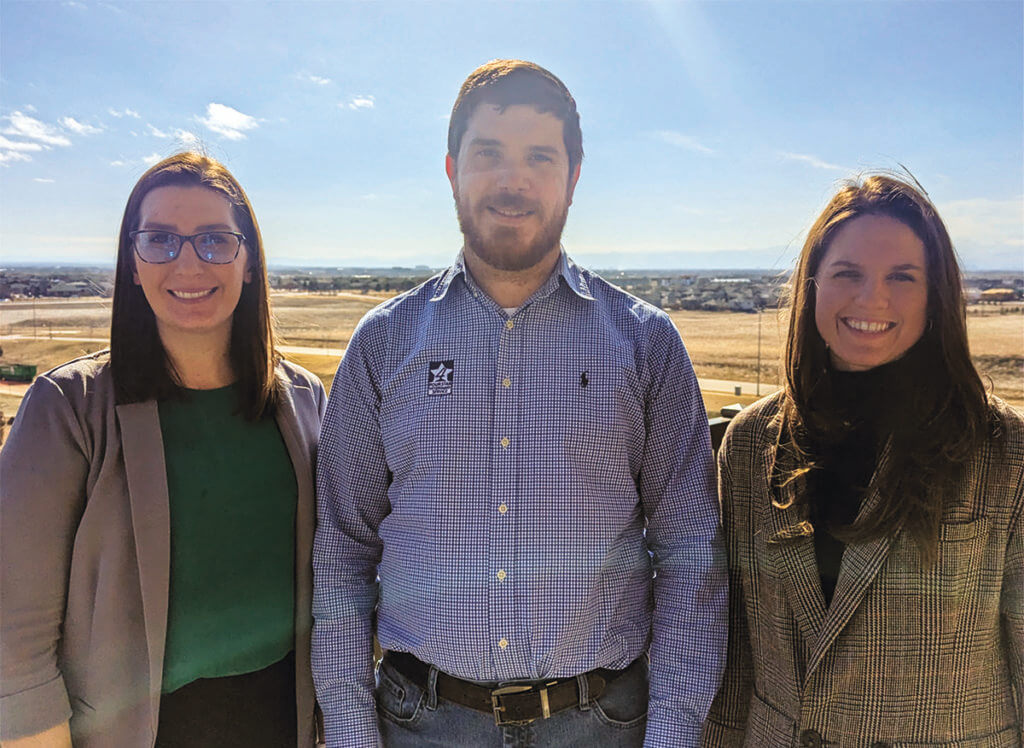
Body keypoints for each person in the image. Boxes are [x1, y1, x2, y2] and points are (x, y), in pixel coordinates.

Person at [312, 59, 726, 747]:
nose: (514, 180)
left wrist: (673, 735)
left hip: (601, 726)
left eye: (540, 156)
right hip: (422, 724)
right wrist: (353, 735)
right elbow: (342, 556)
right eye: (489, 154)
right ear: (451, 170)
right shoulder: (382, 345)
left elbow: (688, 554)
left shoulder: (646, 344)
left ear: (574, 176)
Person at [0, 152, 326, 747]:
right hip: (136, 731)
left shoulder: (302, 399)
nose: (188, 262)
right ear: (133, 261)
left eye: (214, 240)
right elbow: (13, 630)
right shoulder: (68, 408)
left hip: (282, 720)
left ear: (249, 261)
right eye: (160, 240)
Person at [702, 174, 1023, 746]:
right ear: (813, 286)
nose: (872, 299)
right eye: (847, 273)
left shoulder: (1003, 449)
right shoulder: (752, 444)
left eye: (902, 277)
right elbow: (738, 655)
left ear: (937, 294)